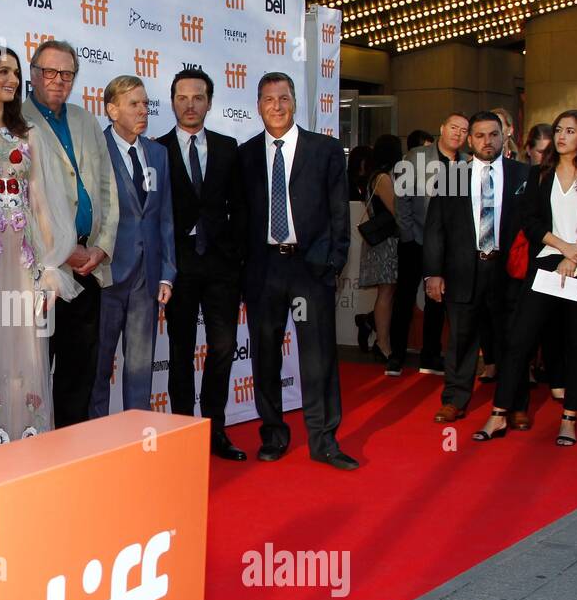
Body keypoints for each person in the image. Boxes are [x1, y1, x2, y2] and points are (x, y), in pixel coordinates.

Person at [0, 45, 78, 445]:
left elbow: (41, 203)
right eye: (2, 73)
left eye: (14, 73)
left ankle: (28, 445)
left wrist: (50, 267)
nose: (11, 80)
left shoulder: (28, 134)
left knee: (27, 356)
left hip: (24, 260)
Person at [238, 72, 356, 470]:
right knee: (265, 356)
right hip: (264, 269)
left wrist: (333, 262)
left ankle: (324, 440)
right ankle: (273, 435)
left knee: (318, 357)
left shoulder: (324, 150)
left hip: (310, 268)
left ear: (294, 103)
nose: (276, 106)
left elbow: (340, 213)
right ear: (258, 105)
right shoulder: (246, 154)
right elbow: (238, 218)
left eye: (283, 98)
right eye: (268, 99)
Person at [474, 110, 577, 446]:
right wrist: (563, 249)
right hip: (546, 265)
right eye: (559, 130)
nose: (562, 136)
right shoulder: (539, 175)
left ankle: (569, 418)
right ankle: (499, 413)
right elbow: (530, 221)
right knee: (519, 341)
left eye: (570, 130)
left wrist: (575, 254)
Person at [21, 39, 119, 427]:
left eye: (67, 74)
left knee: (79, 374)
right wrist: (62, 251)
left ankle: (71, 458)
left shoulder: (85, 119)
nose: (58, 80)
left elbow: (108, 189)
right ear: (32, 75)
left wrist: (101, 249)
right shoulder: (13, 122)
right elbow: (17, 207)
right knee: (33, 376)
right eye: (50, 72)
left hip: (89, 268)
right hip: (42, 273)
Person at [156, 68, 248, 460]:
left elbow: (243, 208)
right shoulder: (156, 149)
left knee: (224, 347)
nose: (190, 104)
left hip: (222, 266)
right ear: (172, 101)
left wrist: (237, 257)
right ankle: (181, 433)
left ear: (209, 102)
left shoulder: (230, 148)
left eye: (198, 97)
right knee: (179, 351)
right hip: (178, 265)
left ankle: (215, 430)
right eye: (182, 97)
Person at [423, 111, 529, 424]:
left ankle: (517, 404)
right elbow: (435, 229)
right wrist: (433, 273)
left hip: (509, 272)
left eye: (493, 134)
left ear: (504, 135)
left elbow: (534, 226)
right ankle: (454, 400)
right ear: (470, 140)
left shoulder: (523, 175)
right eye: (480, 135)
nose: (487, 141)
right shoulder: (453, 176)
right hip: (462, 271)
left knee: (513, 339)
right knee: (460, 340)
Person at [90, 75, 175, 418]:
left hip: (147, 277)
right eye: (134, 104)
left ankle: (139, 441)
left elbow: (164, 216)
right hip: (104, 275)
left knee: (141, 369)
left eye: (145, 104)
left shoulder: (158, 153)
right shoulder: (94, 150)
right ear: (111, 110)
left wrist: (167, 274)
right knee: (98, 366)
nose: (143, 111)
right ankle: (92, 439)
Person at [392, 112, 467, 376]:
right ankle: (396, 355)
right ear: (442, 128)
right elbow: (400, 197)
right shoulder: (416, 156)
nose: (458, 133)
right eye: (454, 127)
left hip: (446, 246)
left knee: (436, 300)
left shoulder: (465, 164)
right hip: (415, 239)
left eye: (464, 130)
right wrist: (407, 235)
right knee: (404, 299)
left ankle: (431, 355)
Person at [358, 134, 404, 374]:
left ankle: (377, 334)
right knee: (386, 293)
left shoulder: (376, 175)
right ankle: (383, 343)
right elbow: (397, 209)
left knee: (387, 293)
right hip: (385, 243)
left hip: (382, 242)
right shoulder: (383, 178)